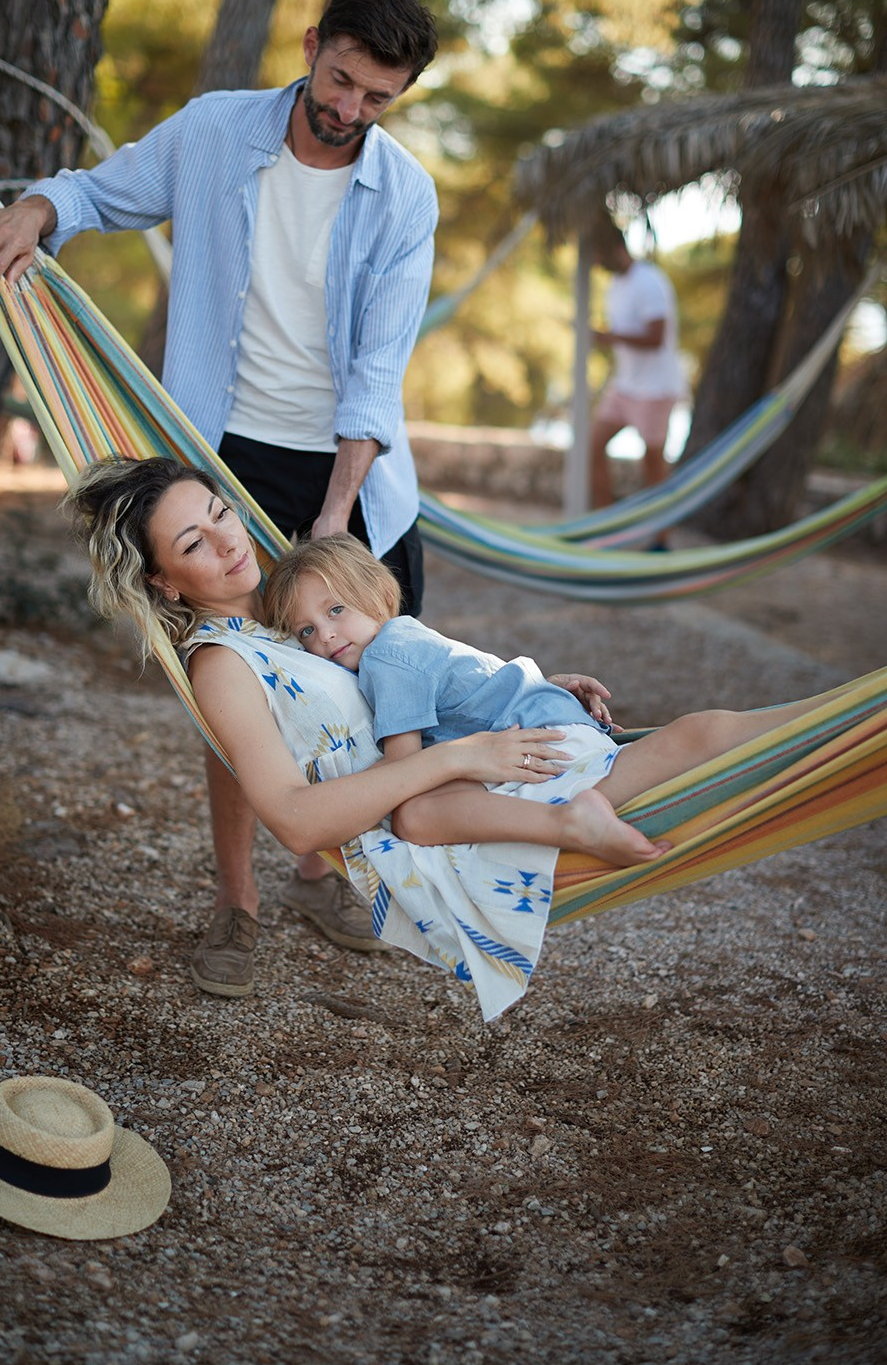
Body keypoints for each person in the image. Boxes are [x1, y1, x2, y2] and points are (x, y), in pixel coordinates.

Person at [0, 0, 440, 993]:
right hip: (220, 457)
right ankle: (238, 903)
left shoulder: (406, 197)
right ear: (311, 46)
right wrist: (39, 208)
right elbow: (100, 192)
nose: (348, 110)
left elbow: (376, 377)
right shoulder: (213, 132)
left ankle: (317, 868)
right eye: (341, 79)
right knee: (230, 683)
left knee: (354, 681)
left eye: (376, 98)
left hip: (346, 476)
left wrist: (333, 526)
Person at [69, 456, 672, 1020]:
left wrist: (518, 691)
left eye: (220, 513)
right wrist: (462, 757)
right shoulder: (224, 664)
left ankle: (770, 754)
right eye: (194, 543)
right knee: (683, 751)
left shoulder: (289, 597)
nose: (228, 541)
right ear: (164, 583)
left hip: (477, 758)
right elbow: (296, 822)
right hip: (441, 809)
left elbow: (407, 665)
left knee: (698, 740)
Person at [262, 531, 822, 845]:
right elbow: (477, 687)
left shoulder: (387, 657)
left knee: (416, 817)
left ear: (378, 595)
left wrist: (335, 802)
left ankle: (571, 821)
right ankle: (824, 718)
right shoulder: (406, 640)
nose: (326, 634)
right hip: (555, 730)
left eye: (336, 609)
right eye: (307, 630)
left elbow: (403, 771)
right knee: (690, 738)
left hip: (539, 749)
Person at [588, 217, 687, 542]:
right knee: (592, 446)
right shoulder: (616, 285)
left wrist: (610, 338)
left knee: (653, 466)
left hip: (655, 389)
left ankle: (662, 540)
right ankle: (606, 528)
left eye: (601, 255)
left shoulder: (649, 282)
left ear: (617, 249)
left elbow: (656, 337)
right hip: (625, 385)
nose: (597, 263)